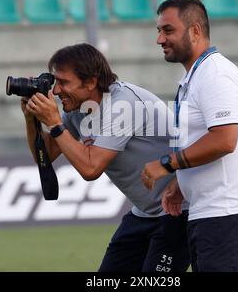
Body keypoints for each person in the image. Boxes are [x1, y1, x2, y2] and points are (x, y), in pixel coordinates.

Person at [22, 43, 190, 272]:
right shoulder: (80, 108)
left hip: (179, 210)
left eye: (63, 82)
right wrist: (31, 119)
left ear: (91, 82)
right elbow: (47, 155)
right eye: (55, 82)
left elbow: (91, 169)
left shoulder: (122, 104)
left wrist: (53, 122)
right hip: (145, 212)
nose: (56, 91)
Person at [141, 0, 238, 272]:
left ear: (195, 31)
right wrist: (181, 182)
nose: (160, 39)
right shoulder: (196, 76)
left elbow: (224, 140)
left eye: (168, 30)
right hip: (213, 210)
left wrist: (167, 164)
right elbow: (200, 137)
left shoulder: (215, 74)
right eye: (158, 31)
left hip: (228, 211)